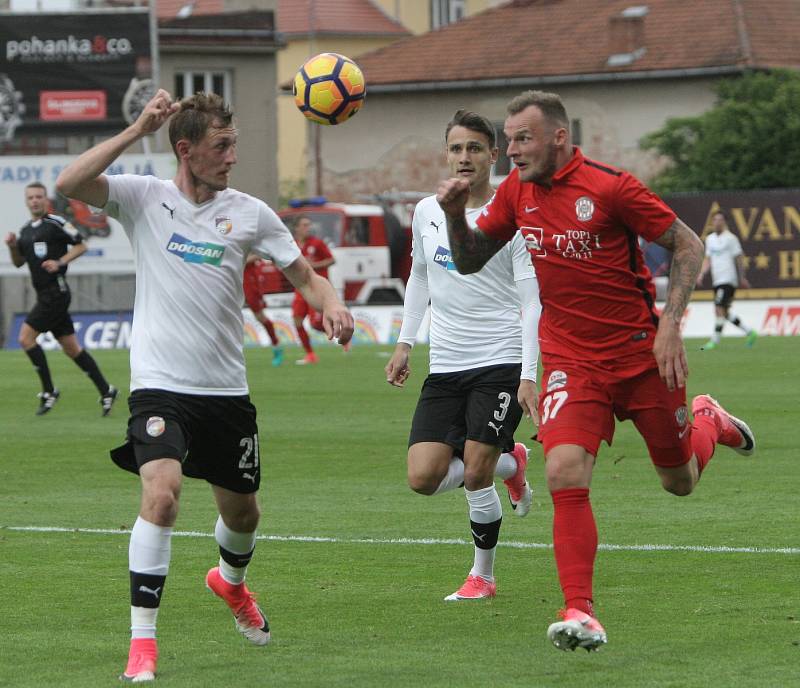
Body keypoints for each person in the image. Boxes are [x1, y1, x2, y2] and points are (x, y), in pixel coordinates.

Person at [436, 90, 756, 652]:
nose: (511, 150)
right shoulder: (516, 192)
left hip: (640, 355)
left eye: (523, 138)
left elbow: (686, 244)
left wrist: (671, 325)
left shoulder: (612, 186)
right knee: (563, 471)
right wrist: (454, 214)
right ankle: (580, 611)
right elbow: (467, 260)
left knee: (678, 481)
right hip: (570, 360)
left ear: (559, 137)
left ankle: (708, 417)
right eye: (508, 139)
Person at [55, 90, 354, 682]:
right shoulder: (144, 197)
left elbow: (306, 275)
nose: (232, 157)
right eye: (222, 146)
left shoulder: (250, 212)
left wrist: (332, 304)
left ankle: (231, 583)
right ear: (185, 150)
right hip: (160, 387)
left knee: (243, 514)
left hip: (225, 393)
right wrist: (139, 125)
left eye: (234, 144)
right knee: (161, 495)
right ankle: (143, 645)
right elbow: (71, 180)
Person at [385, 110, 541, 601]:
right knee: (422, 477)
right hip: (446, 363)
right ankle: (512, 462)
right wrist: (405, 342)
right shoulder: (427, 211)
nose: (464, 157)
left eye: (474, 148)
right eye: (456, 148)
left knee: (475, 471)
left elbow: (533, 302)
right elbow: (421, 278)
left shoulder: (512, 220)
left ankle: (483, 576)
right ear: (446, 154)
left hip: (501, 358)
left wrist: (530, 374)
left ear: (493, 155)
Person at [4, 181, 118, 416]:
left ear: (46, 199)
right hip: (46, 295)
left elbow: (81, 246)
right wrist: (13, 246)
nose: (35, 200)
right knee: (72, 349)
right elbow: (18, 262)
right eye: (31, 197)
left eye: (39, 196)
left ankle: (49, 391)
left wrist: (60, 262)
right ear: (27, 201)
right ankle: (107, 390)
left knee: (26, 339)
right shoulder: (26, 230)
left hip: (56, 293)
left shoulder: (56, 223)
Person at [696, 210, 757, 350]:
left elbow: (739, 257)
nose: (717, 222)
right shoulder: (710, 239)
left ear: (724, 222)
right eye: (715, 220)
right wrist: (701, 274)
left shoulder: (731, 238)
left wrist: (742, 277)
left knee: (718, 308)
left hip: (728, 279)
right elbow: (708, 260)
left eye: (720, 220)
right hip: (717, 280)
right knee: (724, 312)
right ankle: (750, 332)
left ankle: (714, 341)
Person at [291, 215, 337, 364]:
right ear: (296, 228)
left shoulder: (317, 243)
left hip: (316, 288)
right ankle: (310, 354)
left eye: (309, 225)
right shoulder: (292, 245)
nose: (308, 228)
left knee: (315, 324)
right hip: (300, 287)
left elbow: (332, 260)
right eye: (304, 225)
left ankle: (341, 334)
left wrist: (313, 266)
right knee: (297, 321)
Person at [243, 253, 284, 365]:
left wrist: (240, 260)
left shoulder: (248, 237)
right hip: (231, 278)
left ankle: (276, 346)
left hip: (249, 279)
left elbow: (257, 254)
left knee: (260, 317)